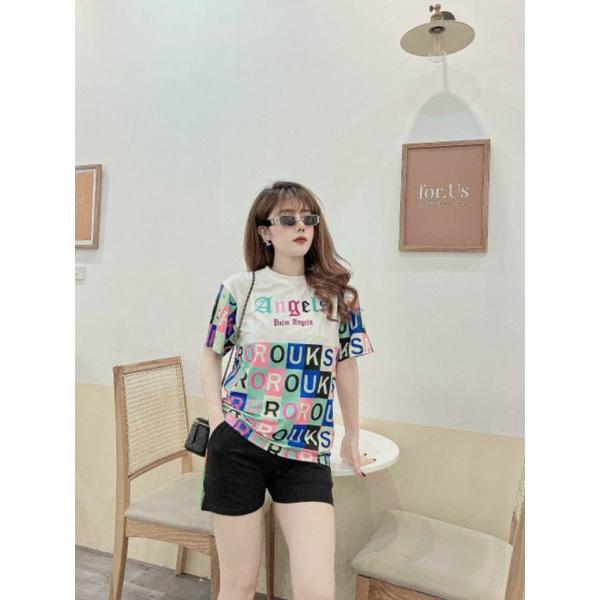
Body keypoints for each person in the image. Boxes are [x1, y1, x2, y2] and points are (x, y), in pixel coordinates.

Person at [199, 181, 375, 600]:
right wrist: (219, 423)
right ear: (265, 231)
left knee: (317, 591)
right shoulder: (239, 288)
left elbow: (345, 365)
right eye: (288, 219)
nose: (301, 226)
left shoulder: (337, 296)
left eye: (309, 218)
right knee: (238, 586)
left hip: (305, 452)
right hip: (239, 445)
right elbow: (210, 354)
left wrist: (352, 435)